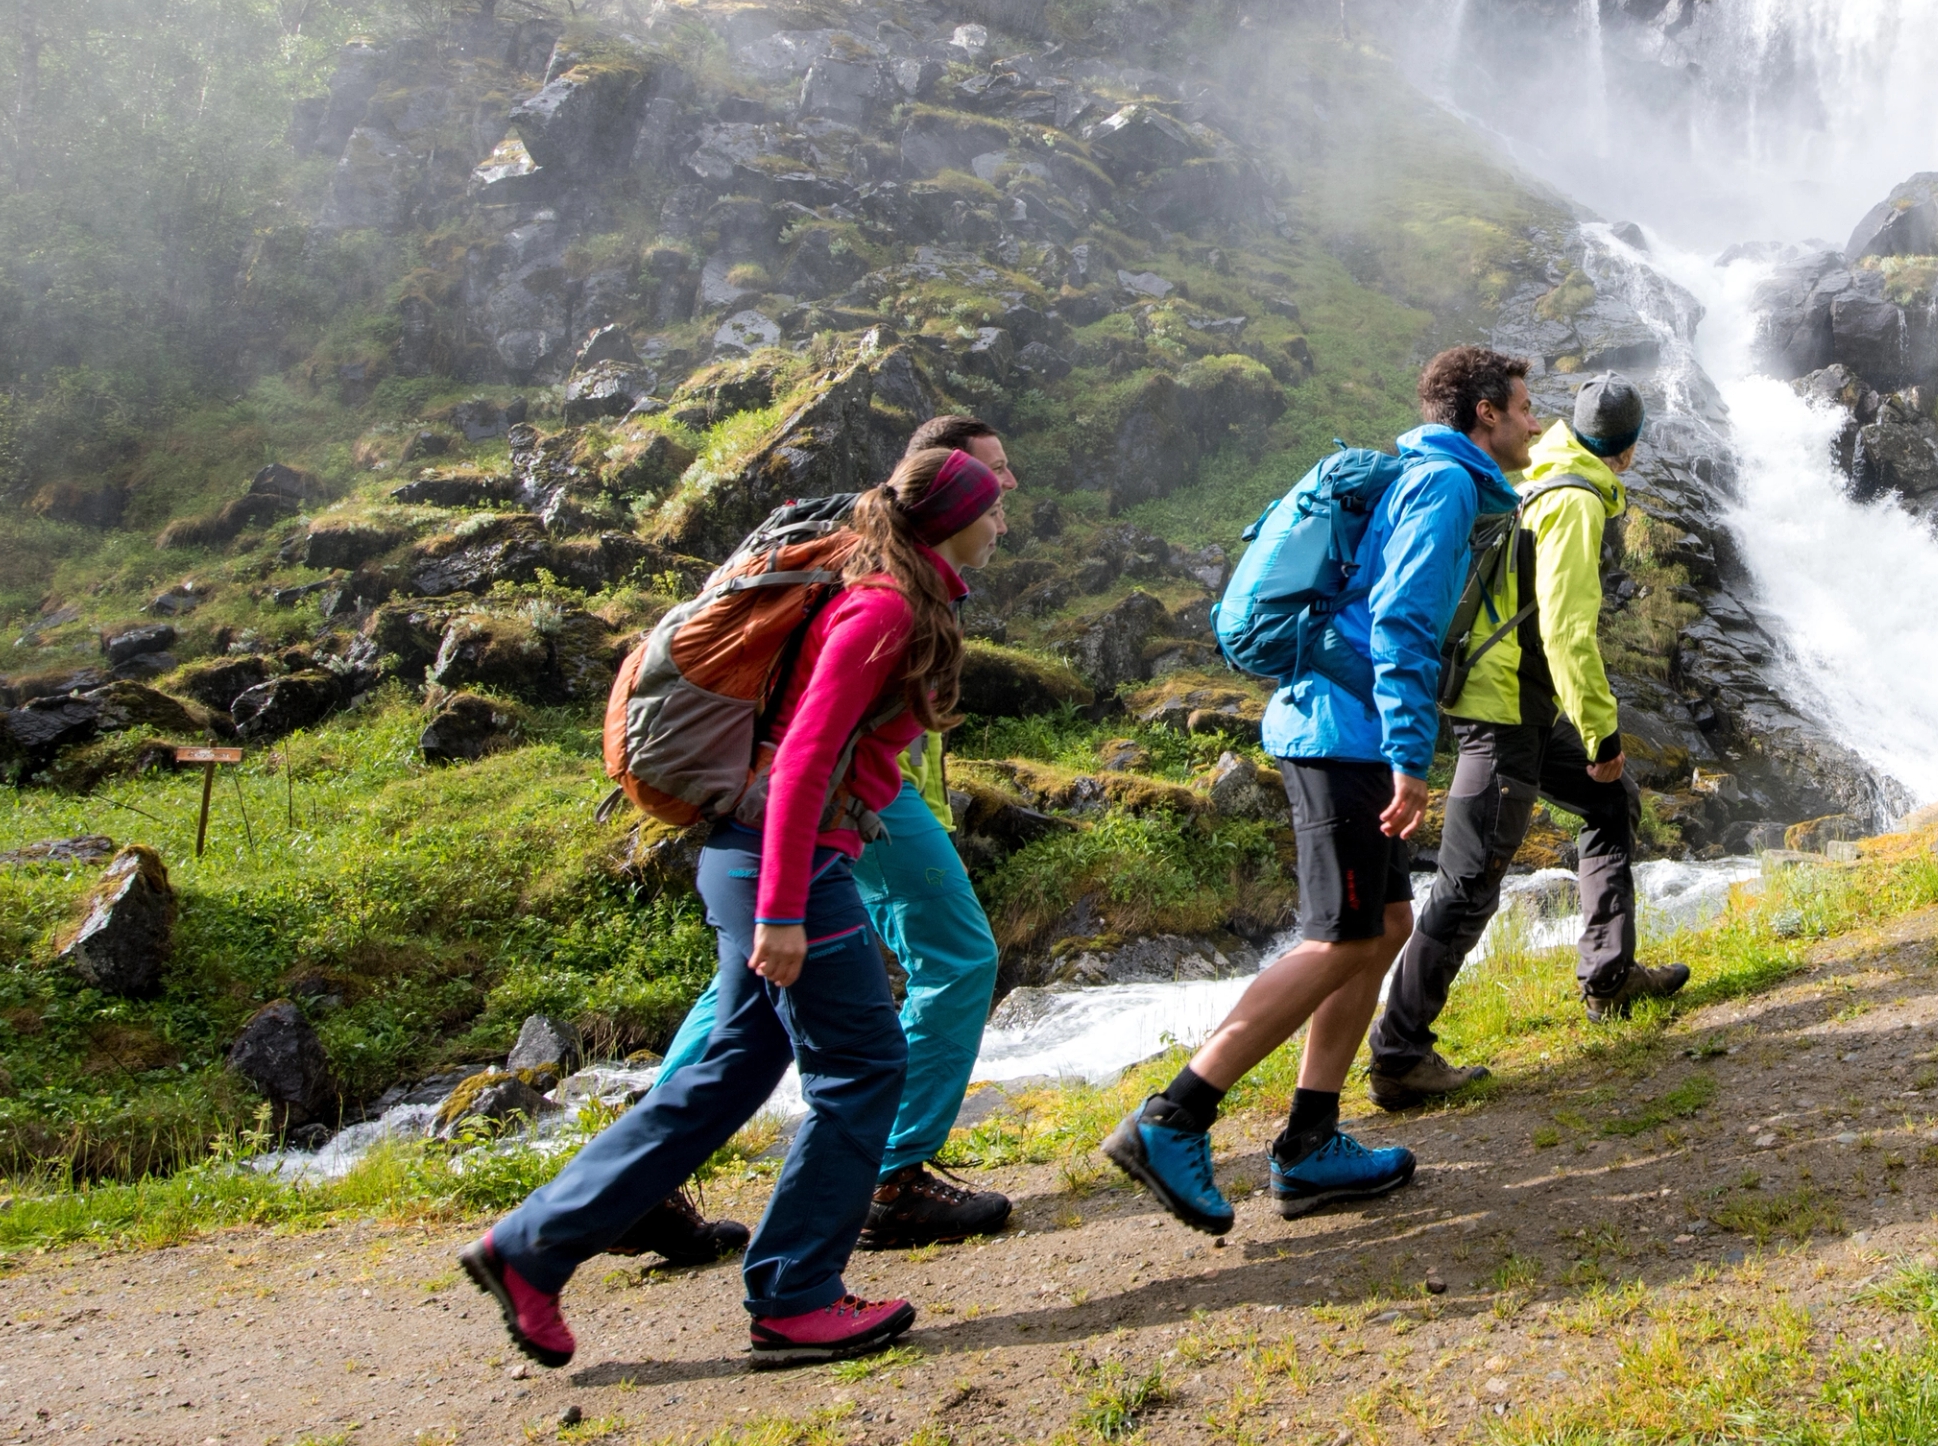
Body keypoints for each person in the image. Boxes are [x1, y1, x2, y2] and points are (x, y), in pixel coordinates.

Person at [459, 441, 1002, 1370]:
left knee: (727, 1075)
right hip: (782, 865)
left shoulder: (892, 591)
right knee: (864, 1068)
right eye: (993, 508)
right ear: (955, 522)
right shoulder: (882, 610)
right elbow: (800, 761)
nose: (1004, 521)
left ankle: (531, 1248)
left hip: (754, 858)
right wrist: (785, 913)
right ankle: (794, 1296)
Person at [1095, 346, 1533, 1235]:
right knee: (1339, 938)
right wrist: (1412, 755)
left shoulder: (1435, 480)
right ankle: (1174, 1116)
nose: (1535, 422)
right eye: (1525, 407)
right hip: (1346, 736)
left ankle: (1311, 1141)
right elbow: (1404, 622)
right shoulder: (1444, 488)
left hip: (1341, 726)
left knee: (1387, 926)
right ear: (1484, 412)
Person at [646, 416, 1020, 1253]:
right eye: (993, 477)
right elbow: (813, 748)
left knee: (746, 992)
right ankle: (893, 1175)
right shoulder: (887, 596)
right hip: (858, 807)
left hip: (843, 802)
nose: (1008, 494)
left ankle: (644, 1176)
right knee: (959, 958)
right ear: (942, 488)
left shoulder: (889, 568)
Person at [1368, 374, 1688, 1111]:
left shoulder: (1543, 478)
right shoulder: (1574, 502)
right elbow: (1566, 630)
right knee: (1471, 881)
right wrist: (1602, 732)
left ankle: (1610, 977)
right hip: (1503, 714)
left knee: (1612, 804)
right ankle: (1399, 1053)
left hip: (1520, 707)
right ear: (1630, 448)